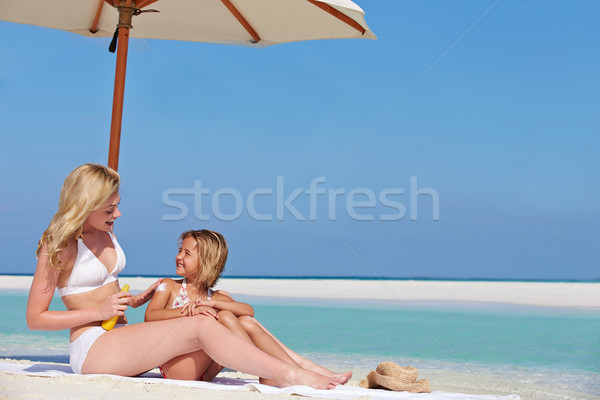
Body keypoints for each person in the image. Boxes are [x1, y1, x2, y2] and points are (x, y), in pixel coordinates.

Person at [26, 163, 344, 389]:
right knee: (201, 324)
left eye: (117, 206)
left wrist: (132, 302)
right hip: (93, 349)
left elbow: (104, 291)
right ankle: (289, 375)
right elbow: (35, 318)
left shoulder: (105, 231)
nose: (117, 215)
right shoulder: (59, 246)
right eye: (110, 210)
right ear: (86, 205)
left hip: (120, 337)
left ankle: (302, 368)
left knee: (224, 318)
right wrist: (98, 312)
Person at [145, 229, 352, 385]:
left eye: (187, 253)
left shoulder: (216, 296)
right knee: (225, 317)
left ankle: (287, 369)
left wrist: (213, 303)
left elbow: (249, 312)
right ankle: (275, 370)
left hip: (206, 370)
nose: (179, 256)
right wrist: (189, 310)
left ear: (206, 262)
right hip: (177, 368)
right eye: (180, 250)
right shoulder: (169, 286)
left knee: (237, 318)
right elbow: (150, 317)